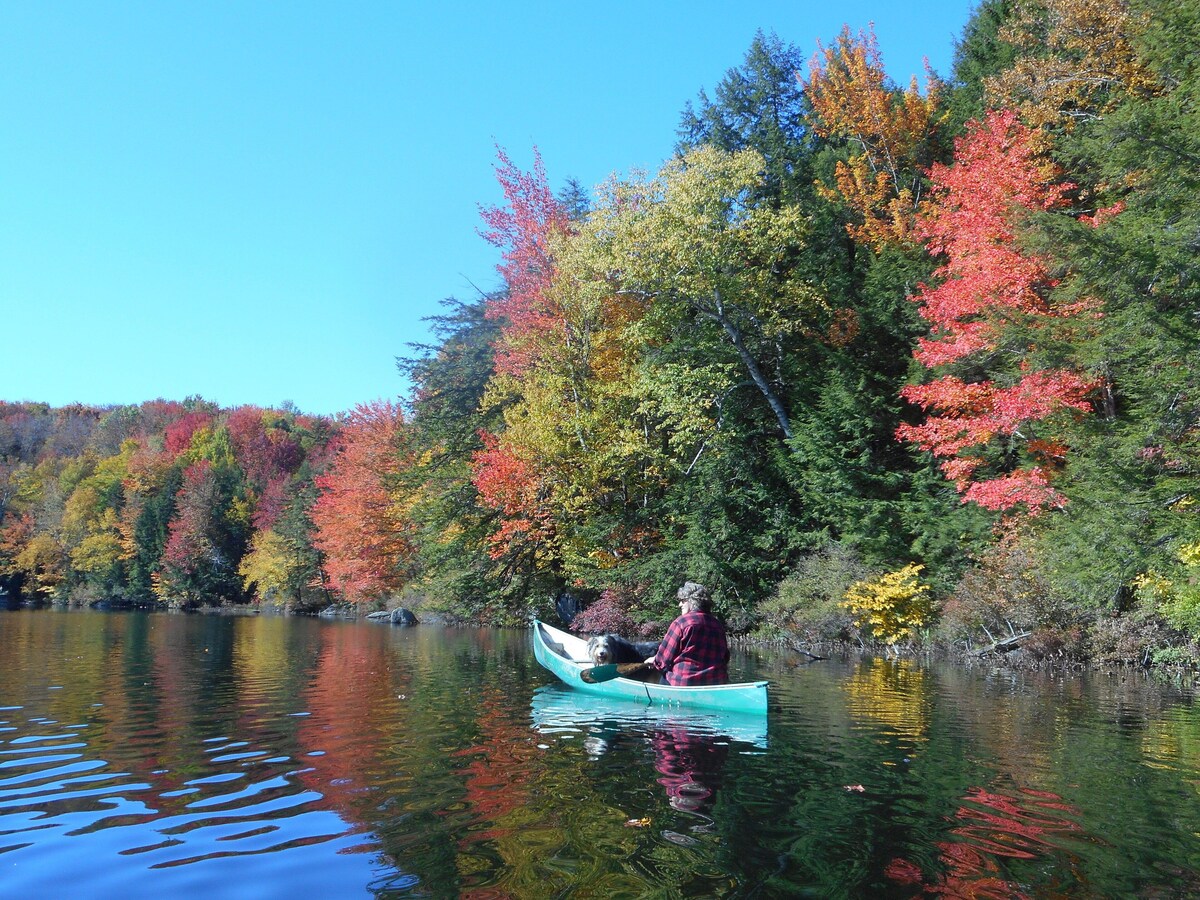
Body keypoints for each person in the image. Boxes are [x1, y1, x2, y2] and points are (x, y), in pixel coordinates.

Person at [645, 582, 730, 686]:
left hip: (684, 683)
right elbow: (725, 657)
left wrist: (655, 662)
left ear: (692, 601)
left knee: (663, 673)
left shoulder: (681, 623)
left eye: (682, 601)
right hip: (715, 682)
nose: (679, 604)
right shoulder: (717, 625)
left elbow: (663, 659)